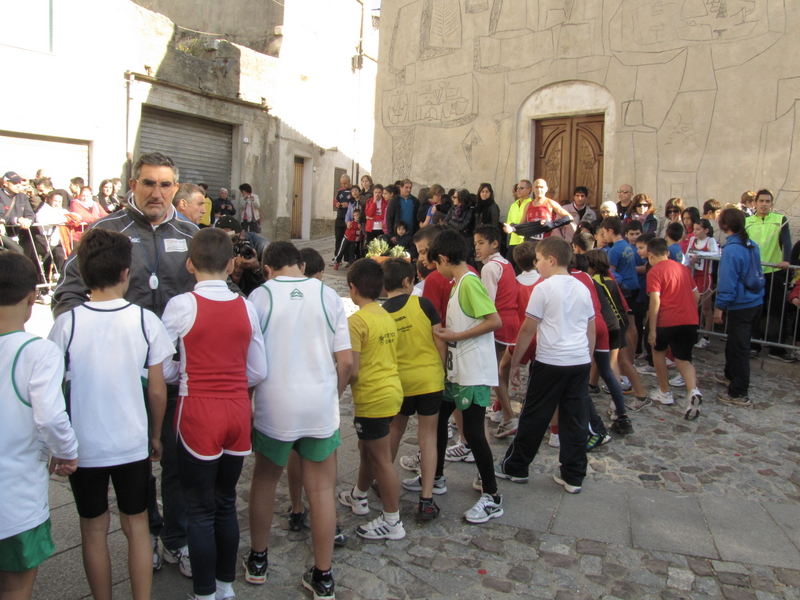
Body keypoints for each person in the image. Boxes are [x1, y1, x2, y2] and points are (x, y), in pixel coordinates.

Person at [53, 152, 198, 577]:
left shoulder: (191, 233)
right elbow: (67, 294)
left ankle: (178, 537)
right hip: (121, 379)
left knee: (175, 458)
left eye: (165, 184)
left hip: (174, 372)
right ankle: (147, 533)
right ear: (132, 184)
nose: (157, 192)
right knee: (138, 462)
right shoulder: (105, 230)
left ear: (177, 188)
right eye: (148, 183)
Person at [48, 228, 174, 600]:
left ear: (83, 274)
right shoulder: (145, 321)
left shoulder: (65, 324)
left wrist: (58, 445)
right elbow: (157, 389)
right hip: (131, 444)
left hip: (83, 448)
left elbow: (55, 391)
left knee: (92, 529)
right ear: (126, 272)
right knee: (136, 525)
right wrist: (155, 435)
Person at [160, 228, 267, 600]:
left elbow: (158, 364)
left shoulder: (180, 305)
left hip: (198, 412)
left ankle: (204, 593)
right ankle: (225, 586)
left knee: (199, 508)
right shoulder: (247, 306)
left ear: (190, 264)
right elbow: (259, 370)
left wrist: (183, 374)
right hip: (238, 410)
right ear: (231, 264)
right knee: (225, 502)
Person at [245, 242, 352, 597]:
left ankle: (258, 560)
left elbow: (249, 361)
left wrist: (248, 402)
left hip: (275, 405)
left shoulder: (258, 298)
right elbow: (347, 362)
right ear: (302, 264)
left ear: (267, 269)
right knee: (321, 490)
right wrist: (331, 395)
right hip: (318, 404)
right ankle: (323, 576)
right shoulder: (329, 295)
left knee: (264, 481)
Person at [0, 253, 78, 600]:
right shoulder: (38, 352)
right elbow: (50, 416)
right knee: (16, 586)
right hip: (15, 501)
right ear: (33, 298)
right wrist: (67, 453)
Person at [496, 236, 595, 494]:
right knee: (575, 418)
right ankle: (573, 475)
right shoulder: (583, 287)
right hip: (579, 360)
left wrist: (515, 363)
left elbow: (528, 328)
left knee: (534, 415)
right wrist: (587, 356)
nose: (536, 265)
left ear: (551, 260)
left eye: (538, 260)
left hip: (552, 360)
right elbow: (590, 328)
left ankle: (516, 467)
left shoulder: (544, 288)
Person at [428, 230, 504, 523]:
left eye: (436, 263)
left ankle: (493, 495)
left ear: (445, 259)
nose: (436, 269)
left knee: (473, 431)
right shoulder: (460, 282)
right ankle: (436, 477)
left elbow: (494, 320)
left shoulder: (470, 283)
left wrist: (456, 335)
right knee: (437, 417)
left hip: (472, 371)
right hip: (457, 370)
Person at [338, 259, 406, 539]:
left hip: (373, 398)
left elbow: (350, 370)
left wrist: (334, 391)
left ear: (352, 288)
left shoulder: (356, 322)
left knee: (381, 459)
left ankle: (392, 522)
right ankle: (359, 496)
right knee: (366, 449)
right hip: (391, 392)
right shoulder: (385, 315)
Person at [382, 258, 447, 520]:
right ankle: (427, 498)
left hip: (401, 382)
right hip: (430, 380)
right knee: (428, 437)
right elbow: (439, 339)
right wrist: (440, 370)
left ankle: (384, 483)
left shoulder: (383, 312)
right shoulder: (423, 304)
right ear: (408, 281)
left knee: (395, 431)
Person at [644, 237, 703, 420]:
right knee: (683, 359)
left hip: (666, 320)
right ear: (667, 253)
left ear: (650, 255)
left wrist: (651, 328)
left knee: (658, 352)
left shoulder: (654, 272)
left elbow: (655, 301)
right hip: (689, 320)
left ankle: (665, 391)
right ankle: (693, 390)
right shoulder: (683, 269)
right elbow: (697, 296)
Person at [714, 208, 764, 406]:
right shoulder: (752, 245)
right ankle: (730, 374)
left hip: (741, 304)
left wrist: (720, 306)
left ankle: (739, 391)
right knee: (734, 343)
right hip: (755, 300)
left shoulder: (732, 250)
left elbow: (727, 281)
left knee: (740, 347)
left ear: (724, 225)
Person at [473, 224, 519, 438]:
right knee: (501, 369)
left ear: (494, 244)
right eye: (475, 243)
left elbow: (487, 303)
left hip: (498, 321)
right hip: (511, 320)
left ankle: (509, 417)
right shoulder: (506, 264)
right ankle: (501, 409)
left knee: (494, 373)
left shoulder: (489, 268)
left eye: (481, 243)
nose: (477, 248)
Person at [745, 189, 793, 361]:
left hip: (774, 272)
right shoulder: (747, 222)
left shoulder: (780, 220)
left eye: (767, 201)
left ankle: (776, 348)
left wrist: (786, 260)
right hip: (754, 272)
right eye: (761, 201)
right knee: (755, 309)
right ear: (755, 203)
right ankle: (753, 344)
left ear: (772, 204)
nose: (764, 204)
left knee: (776, 311)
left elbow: (786, 241)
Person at [684, 219, 719, 349]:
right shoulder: (693, 240)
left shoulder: (711, 241)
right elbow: (687, 255)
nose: (695, 232)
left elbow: (716, 254)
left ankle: (706, 336)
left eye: (698, 229)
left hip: (705, 277)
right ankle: (692, 334)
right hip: (693, 276)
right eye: (694, 229)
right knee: (692, 307)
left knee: (706, 308)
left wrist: (700, 254)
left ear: (706, 230)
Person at [214, 215, 268, 296]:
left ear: (243, 234)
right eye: (226, 241)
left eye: (234, 240)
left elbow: (274, 280)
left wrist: (257, 267)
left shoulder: (260, 245)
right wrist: (236, 275)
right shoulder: (217, 250)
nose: (231, 245)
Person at [1, 171, 36, 259]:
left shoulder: (22, 196)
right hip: (4, 233)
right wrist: (17, 220)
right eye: (14, 183)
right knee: (18, 252)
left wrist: (28, 221)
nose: (18, 185)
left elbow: (30, 213)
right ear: (5, 183)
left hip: (20, 233)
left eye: (19, 183)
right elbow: (1, 216)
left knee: (28, 254)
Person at [504, 181, 532, 268]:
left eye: (521, 188)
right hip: (513, 241)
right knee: (508, 267)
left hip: (526, 242)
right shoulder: (513, 205)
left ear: (528, 190)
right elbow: (509, 222)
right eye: (517, 188)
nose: (518, 190)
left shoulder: (531, 204)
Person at [332, 174, 352, 264]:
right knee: (338, 239)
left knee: (348, 239)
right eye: (342, 183)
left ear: (349, 181)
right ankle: (337, 258)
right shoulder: (340, 191)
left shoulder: (353, 190)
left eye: (345, 183)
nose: (343, 185)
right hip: (339, 217)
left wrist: (348, 205)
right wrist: (337, 204)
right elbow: (335, 200)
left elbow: (356, 201)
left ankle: (348, 259)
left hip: (349, 219)